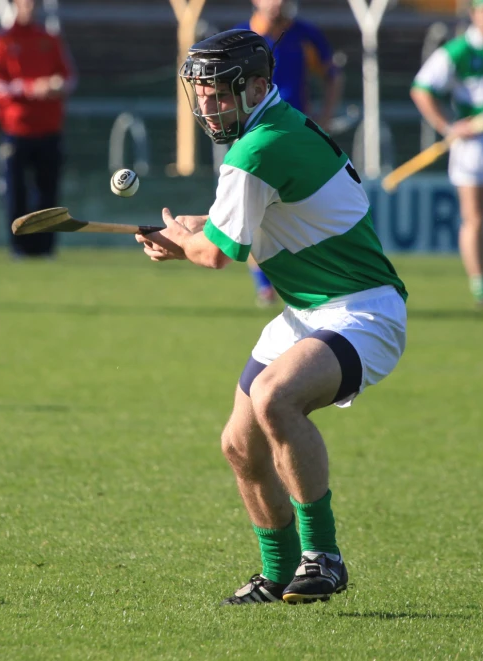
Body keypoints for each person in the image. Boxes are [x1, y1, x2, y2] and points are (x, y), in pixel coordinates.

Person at [136, 29, 407, 606]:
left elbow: (214, 254)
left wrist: (184, 242)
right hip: (308, 312)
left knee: (275, 398)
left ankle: (323, 558)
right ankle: (277, 573)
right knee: (239, 445)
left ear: (258, 85)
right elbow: (230, 220)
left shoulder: (255, 149)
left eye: (220, 92)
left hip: (364, 310)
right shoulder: (271, 127)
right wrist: (183, 232)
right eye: (201, 92)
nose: (208, 105)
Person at [236, 0, 343, 306]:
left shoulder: (305, 34)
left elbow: (332, 75)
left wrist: (324, 117)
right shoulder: (239, 38)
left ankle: (310, 281)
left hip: (298, 141)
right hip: (253, 141)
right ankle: (264, 286)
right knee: (252, 215)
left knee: (302, 212)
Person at [411, 0, 483, 307]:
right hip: (473, 146)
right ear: (474, 15)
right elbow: (421, 88)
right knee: (475, 218)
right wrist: (446, 126)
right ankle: (481, 287)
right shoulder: (458, 51)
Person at [0, 0, 76, 258]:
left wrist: (56, 86)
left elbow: (69, 78)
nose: (29, 7)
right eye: (24, 3)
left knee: (48, 193)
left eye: (33, 3)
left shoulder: (48, 39)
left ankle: (45, 249)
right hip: (16, 130)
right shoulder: (1, 41)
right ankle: (19, 248)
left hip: (49, 129)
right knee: (15, 193)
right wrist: (31, 88)